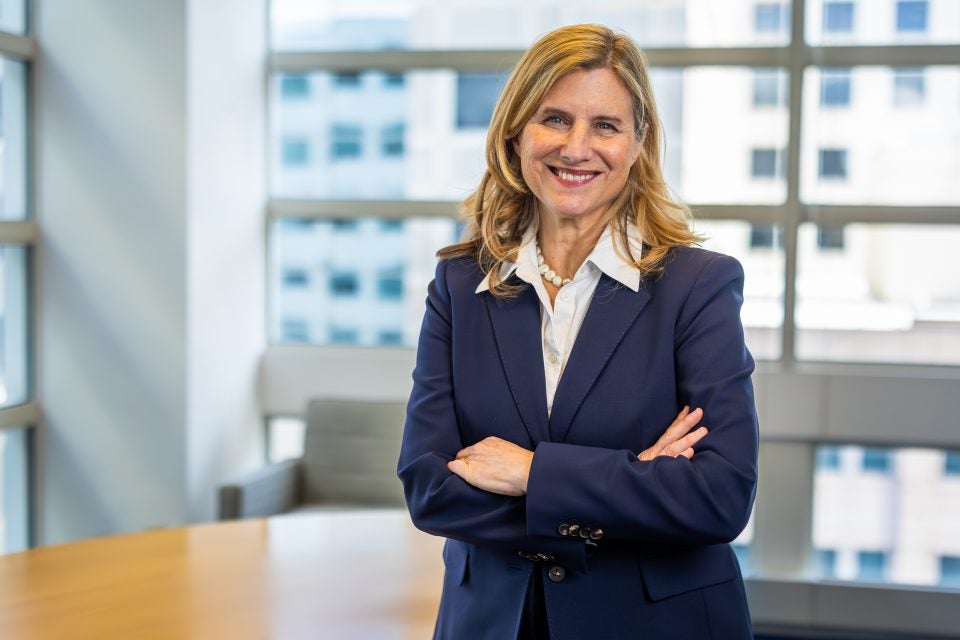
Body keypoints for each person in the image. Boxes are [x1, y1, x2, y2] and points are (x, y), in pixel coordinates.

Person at [398, 23, 758, 640]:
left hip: (654, 624)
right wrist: (631, 478)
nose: (576, 147)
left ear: (638, 144)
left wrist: (532, 474)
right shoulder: (461, 285)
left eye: (606, 126)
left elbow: (718, 496)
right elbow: (431, 489)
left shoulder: (697, 287)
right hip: (491, 622)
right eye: (555, 119)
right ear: (516, 134)